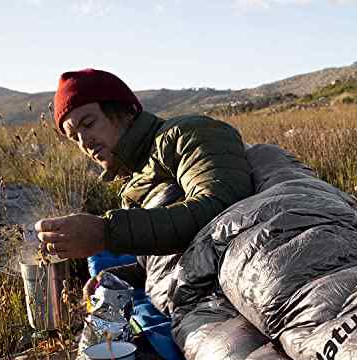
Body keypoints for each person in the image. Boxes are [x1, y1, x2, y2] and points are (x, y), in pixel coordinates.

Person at [34, 68, 253, 297]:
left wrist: (106, 232)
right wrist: (124, 276)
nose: (84, 142)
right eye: (74, 137)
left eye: (88, 124)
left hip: (246, 284)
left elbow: (224, 213)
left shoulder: (185, 134)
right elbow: (177, 252)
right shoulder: (136, 177)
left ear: (124, 111)